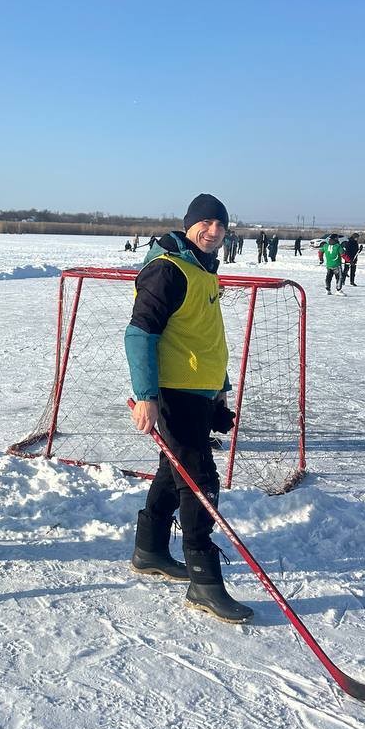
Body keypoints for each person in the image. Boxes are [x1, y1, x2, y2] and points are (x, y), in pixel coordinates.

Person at [125, 192, 252, 624]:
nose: (214, 231)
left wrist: (219, 391)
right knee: (199, 478)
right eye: (206, 223)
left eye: (221, 224)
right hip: (172, 393)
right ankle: (204, 579)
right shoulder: (167, 269)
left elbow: (205, 337)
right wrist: (146, 396)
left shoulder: (202, 270)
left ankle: (150, 550)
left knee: (172, 470)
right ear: (189, 223)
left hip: (197, 392)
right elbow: (139, 334)